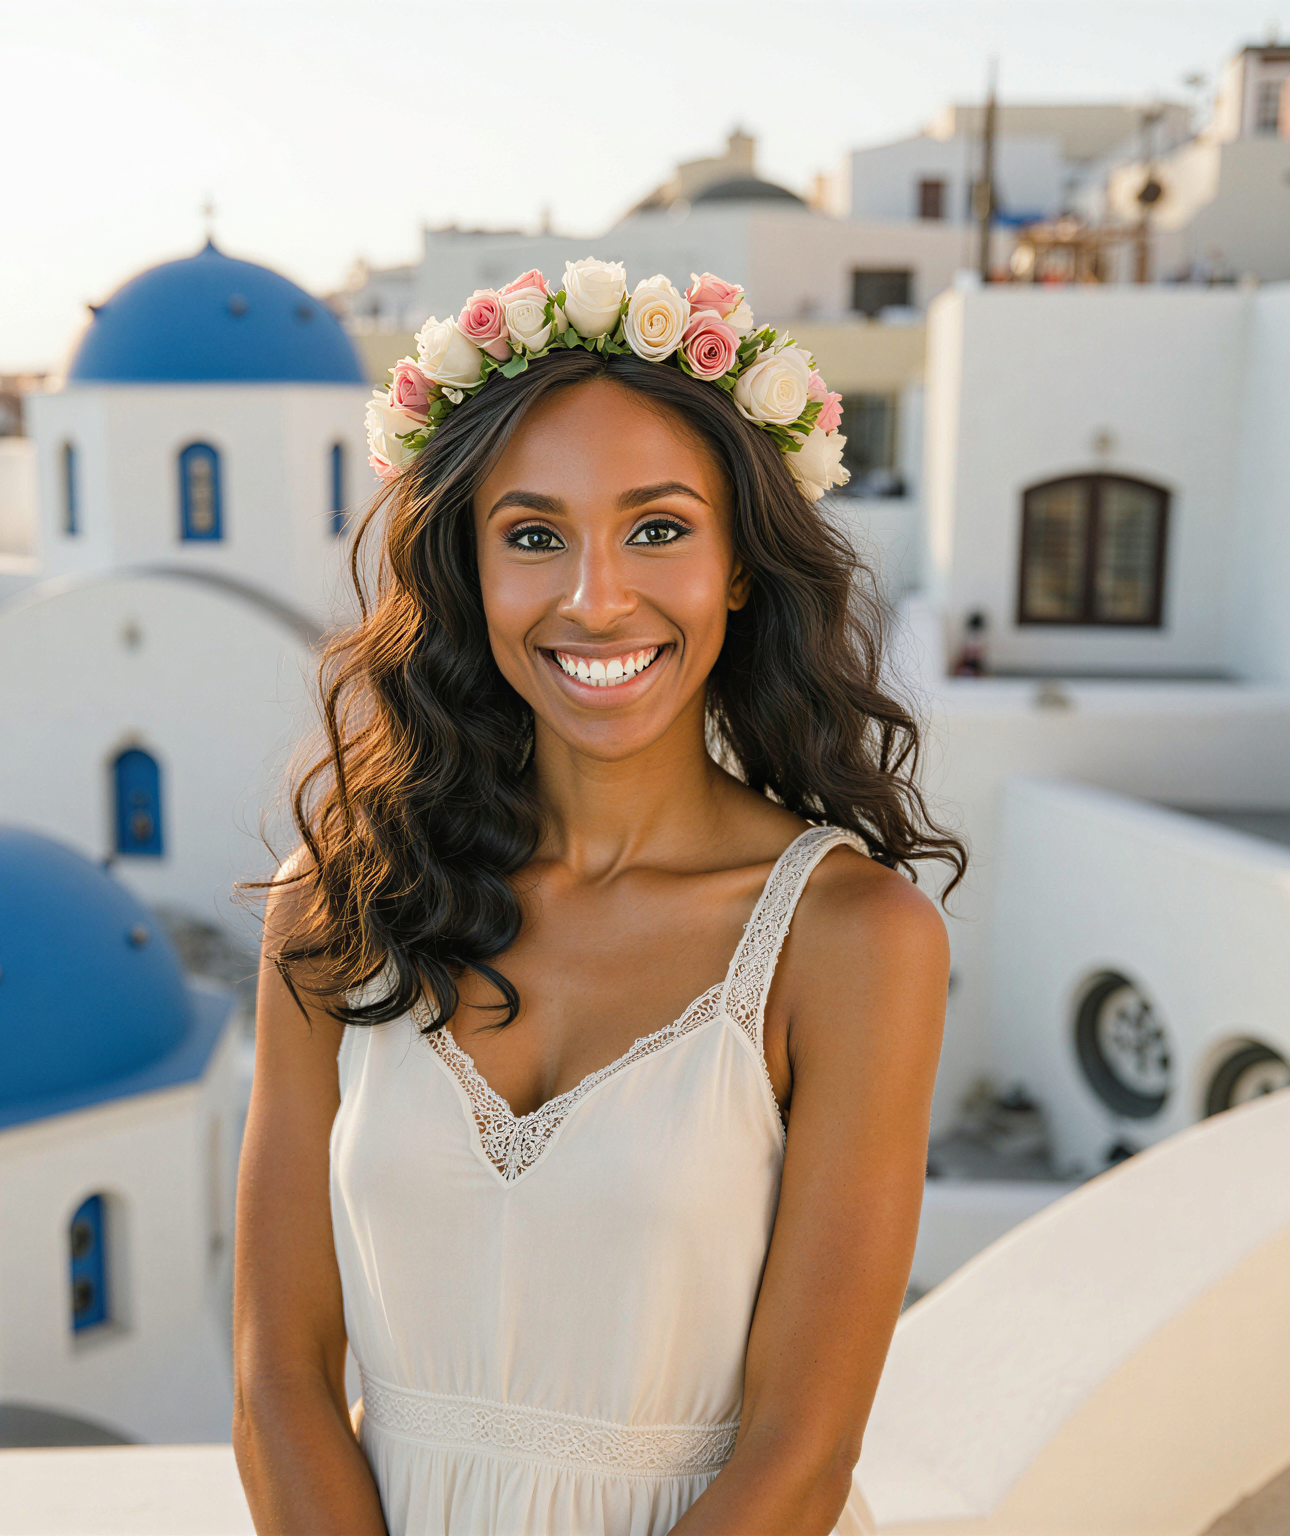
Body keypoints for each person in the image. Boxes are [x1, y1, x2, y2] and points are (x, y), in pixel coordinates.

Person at [232, 263, 965, 1536]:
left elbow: (799, 1456)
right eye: (532, 537)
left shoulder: (848, 944)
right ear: (467, 572)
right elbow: (277, 1378)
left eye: (658, 527)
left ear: (739, 568)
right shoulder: (338, 902)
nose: (594, 599)